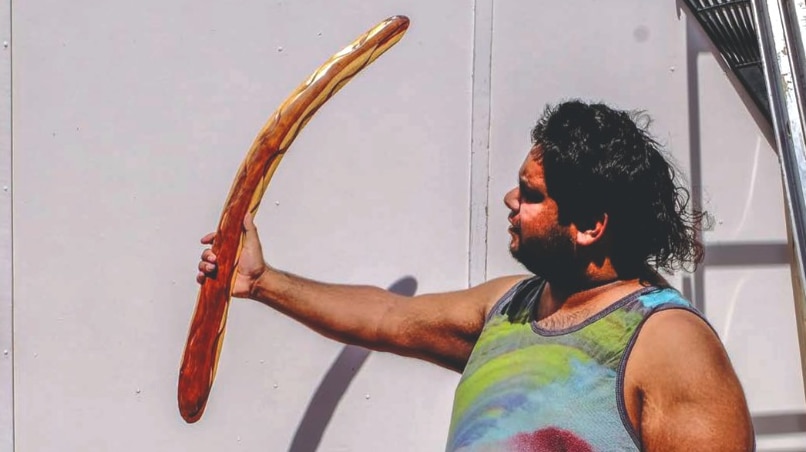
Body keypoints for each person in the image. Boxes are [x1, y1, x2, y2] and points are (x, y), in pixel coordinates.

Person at [197, 100, 754, 451]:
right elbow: (388, 318)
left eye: (532, 195)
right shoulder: (511, 306)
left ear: (589, 225)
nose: (511, 200)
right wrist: (262, 281)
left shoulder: (669, 344)